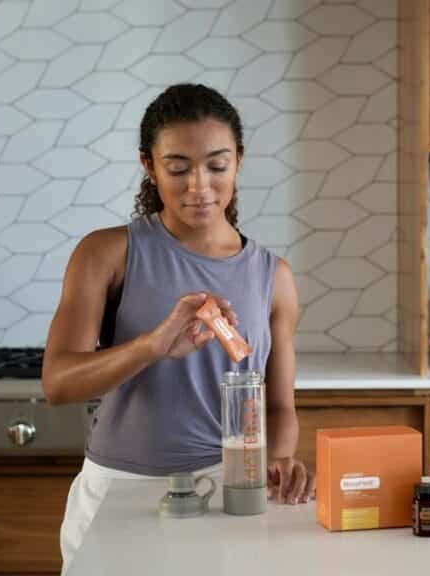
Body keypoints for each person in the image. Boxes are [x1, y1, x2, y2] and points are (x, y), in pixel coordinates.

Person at [42, 83, 315, 570]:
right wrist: (153, 344)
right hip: (120, 492)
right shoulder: (105, 253)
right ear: (149, 165)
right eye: (178, 167)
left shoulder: (274, 277)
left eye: (217, 165)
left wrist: (278, 460)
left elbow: (279, 406)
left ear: (239, 160)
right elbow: (58, 383)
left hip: (229, 492)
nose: (199, 186)